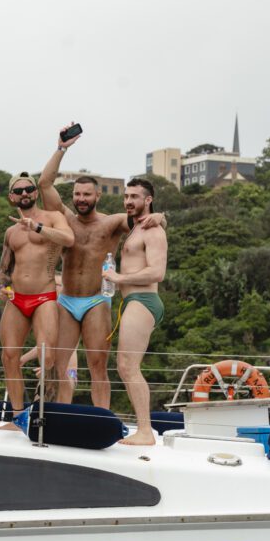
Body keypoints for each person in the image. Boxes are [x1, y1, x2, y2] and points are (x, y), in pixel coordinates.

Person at [38, 125, 166, 408]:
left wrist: (161, 217)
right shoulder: (65, 220)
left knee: (98, 367)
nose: (81, 199)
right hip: (67, 300)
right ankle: (62, 416)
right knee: (60, 367)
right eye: (77, 194)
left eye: (87, 194)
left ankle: (101, 418)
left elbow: (145, 218)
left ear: (97, 196)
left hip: (97, 300)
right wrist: (61, 148)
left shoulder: (112, 222)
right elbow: (44, 184)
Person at [0, 172, 74, 429]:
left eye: (29, 188)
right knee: (9, 356)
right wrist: (1, 287)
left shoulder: (53, 218)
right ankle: (18, 416)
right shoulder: (10, 231)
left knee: (46, 356)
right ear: (11, 197)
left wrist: (37, 227)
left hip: (45, 296)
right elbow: (4, 269)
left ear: (36, 192)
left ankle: (44, 414)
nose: (24, 194)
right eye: (18, 191)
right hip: (17, 299)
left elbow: (69, 239)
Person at [102, 177, 167, 446]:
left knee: (129, 366)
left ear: (148, 200)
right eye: (126, 196)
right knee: (124, 366)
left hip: (144, 299)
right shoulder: (137, 227)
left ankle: (145, 431)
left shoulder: (152, 230)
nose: (128, 201)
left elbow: (157, 272)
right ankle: (143, 429)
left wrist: (118, 278)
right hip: (132, 301)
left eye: (134, 197)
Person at [19, 273, 78, 401]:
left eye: (58, 285)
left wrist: (24, 359)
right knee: (38, 405)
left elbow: (59, 342)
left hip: (68, 371)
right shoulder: (47, 310)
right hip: (49, 366)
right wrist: (23, 359)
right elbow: (45, 344)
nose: (54, 288)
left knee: (62, 409)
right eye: (53, 285)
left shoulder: (69, 311)